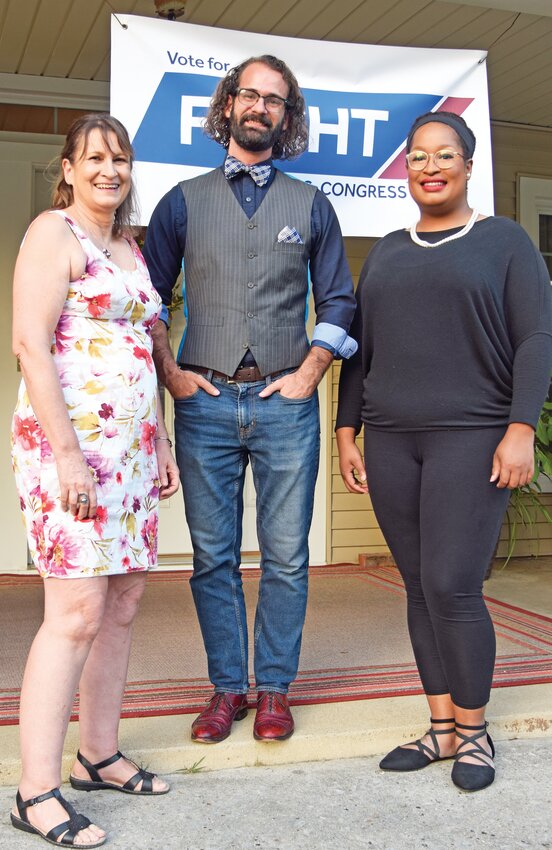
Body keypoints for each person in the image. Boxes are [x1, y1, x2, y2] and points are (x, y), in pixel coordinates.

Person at [336, 111, 552, 791]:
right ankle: (438, 728)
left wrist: (522, 428)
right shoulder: (389, 251)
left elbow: (535, 341)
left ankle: (475, 731)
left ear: (466, 165)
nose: (430, 168)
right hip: (393, 440)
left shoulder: (504, 242)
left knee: (453, 586)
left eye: (444, 156)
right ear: (407, 169)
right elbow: (361, 352)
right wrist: (347, 429)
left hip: (473, 439)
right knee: (419, 589)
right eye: (418, 157)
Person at [143, 54, 356, 743]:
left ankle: (274, 690)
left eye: (276, 100)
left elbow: (341, 297)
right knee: (213, 557)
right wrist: (171, 373)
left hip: (286, 404)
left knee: (288, 556)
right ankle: (226, 689)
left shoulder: (311, 204)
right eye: (251, 95)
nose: (261, 107)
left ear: (287, 117)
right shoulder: (181, 201)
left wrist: (312, 370)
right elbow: (144, 300)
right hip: (203, 402)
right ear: (228, 104)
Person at [10, 113, 179, 847]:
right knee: (75, 612)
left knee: (122, 603)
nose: (111, 170)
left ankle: (97, 755)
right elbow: (29, 343)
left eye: (121, 159)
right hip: (71, 454)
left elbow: (146, 347)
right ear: (70, 169)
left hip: (134, 455)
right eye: (96, 158)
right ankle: (34, 789)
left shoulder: (129, 249)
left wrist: (162, 439)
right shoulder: (55, 233)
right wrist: (69, 455)